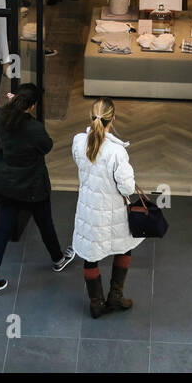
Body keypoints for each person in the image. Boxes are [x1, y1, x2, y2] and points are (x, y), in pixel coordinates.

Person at [0, 84, 77, 294]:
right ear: (33, 106)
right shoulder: (34, 128)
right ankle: (58, 259)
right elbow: (47, 146)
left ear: (14, 99)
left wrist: (10, 105)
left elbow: (6, 116)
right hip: (32, 184)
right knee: (45, 223)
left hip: (6, 183)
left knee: (2, 230)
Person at [71, 97, 143, 318]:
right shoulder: (117, 152)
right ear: (113, 119)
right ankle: (116, 296)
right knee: (123, 248)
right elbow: (128, 187)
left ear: (91, 117)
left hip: (88, 210)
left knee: (90, 256)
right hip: (114, 211)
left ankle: (96, 303)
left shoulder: (79, 142)